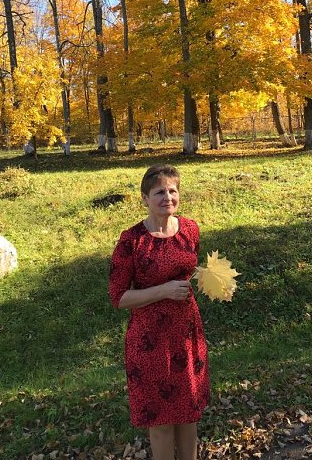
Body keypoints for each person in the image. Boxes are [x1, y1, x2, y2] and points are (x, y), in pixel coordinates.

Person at [109, 164, 210, 460]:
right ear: (145, 198)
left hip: (186, 334)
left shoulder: (189, 229)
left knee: (189, 415)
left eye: (172, 190)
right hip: (150, 342)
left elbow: (189, 268)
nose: (168, 197)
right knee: (162, 420)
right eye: (159, 192)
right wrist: (164, 290)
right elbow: (119, 298)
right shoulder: (131, 241)